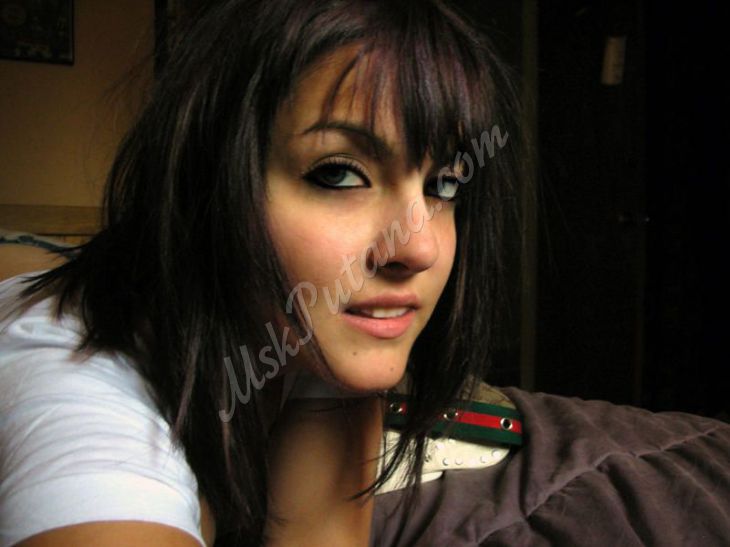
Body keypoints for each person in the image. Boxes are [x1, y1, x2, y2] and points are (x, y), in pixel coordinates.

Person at [1, 1, 728, 546]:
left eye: (444, 184)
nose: (420, 247)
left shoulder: (313, 335)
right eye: (339, 173)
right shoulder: (78, 391)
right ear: (205, 189)